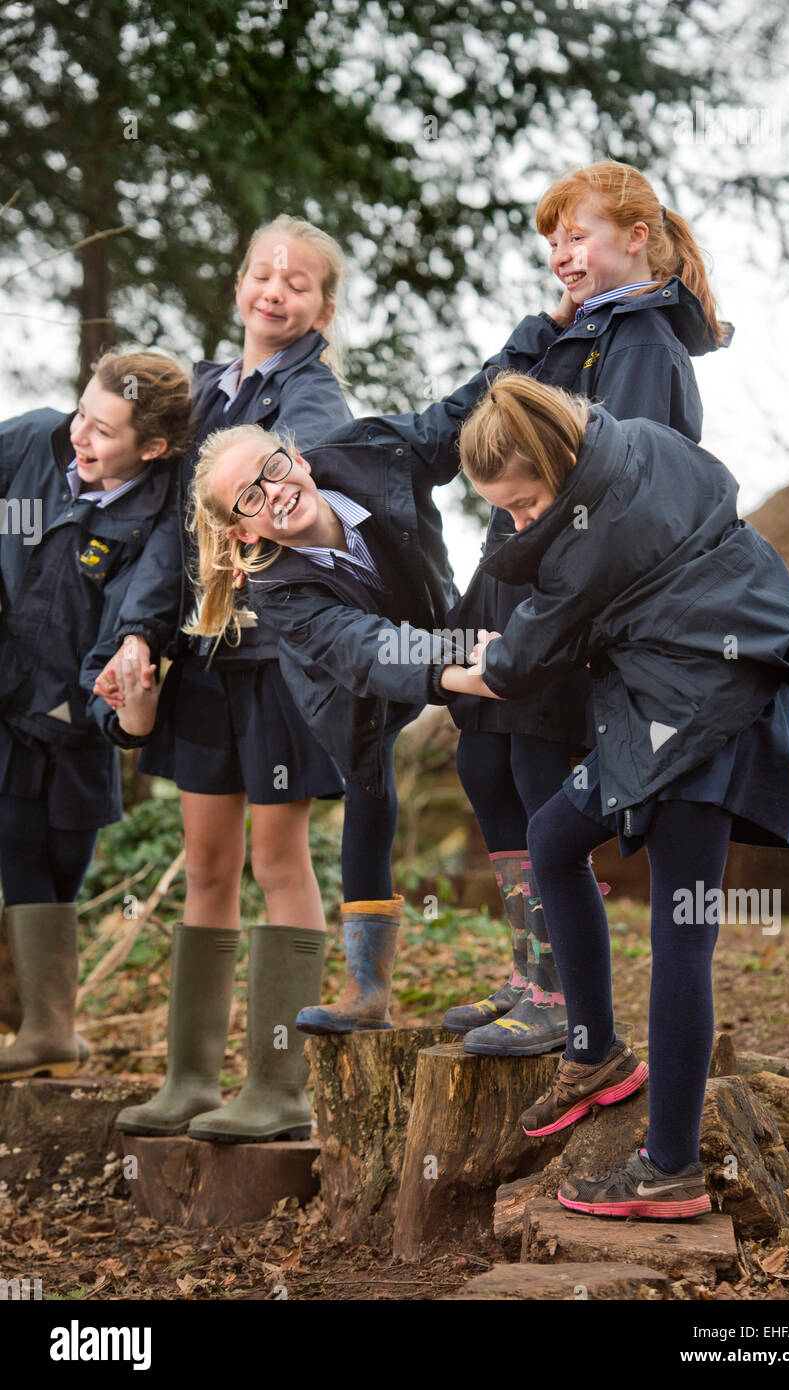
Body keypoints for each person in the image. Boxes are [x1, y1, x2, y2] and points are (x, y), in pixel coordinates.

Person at [102, 303, 568, 1140]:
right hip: (357, 684)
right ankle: (365, 989)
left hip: (437, 616)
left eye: (274, 468)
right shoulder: (279, 588)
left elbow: (455, 414)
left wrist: (545, 327)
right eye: (248, 498)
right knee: (369, 792)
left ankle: (538, 974)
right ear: (238, 529)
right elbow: (369, 649)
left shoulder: (364, 453)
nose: (273, 493)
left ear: (296, 455)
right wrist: (469, 663)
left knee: (491, 771)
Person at [439, 373, 789, 1219]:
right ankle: (595, 1054)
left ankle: (669, 1169)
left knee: (681, 936)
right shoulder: (637, 443)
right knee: (551, 840)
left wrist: (446, 667)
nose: (515, 523)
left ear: (558, 461)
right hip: (684, 695)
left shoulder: (591, 533)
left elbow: (514, 666)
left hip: (705, 716)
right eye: (501, 511)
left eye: (523, 502)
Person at [445, 159, 733, 1058]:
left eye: (579, 235)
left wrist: (552, 613)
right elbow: (498, 422)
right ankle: (532, 967)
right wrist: (544, 330)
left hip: (564, 590)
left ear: (635, 237)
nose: (562, 255)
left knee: (534, 771)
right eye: (553, 241)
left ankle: (560, 992)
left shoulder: (643, 344)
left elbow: (619, 492)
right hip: (511, 567)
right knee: (484, 766)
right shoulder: (582, 330)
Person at [92, 217, 354, 1144]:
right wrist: (136, 632)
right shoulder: (200, 391)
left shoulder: (317, 404)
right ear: (238, 284)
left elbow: (302, 519)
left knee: (277, 861)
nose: (274, 292)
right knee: (206, 863)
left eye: (298, 282)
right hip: (201, 661)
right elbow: (165, 530)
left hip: (279, 661)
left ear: (324, 307)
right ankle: (188, 1081)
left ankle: (277, 1089)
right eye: (262, 274)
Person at [0, 348, 191, 1081]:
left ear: (152, 448)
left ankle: (52, 1023)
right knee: (14, 832)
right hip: (9, 689)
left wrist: (121, 689)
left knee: (65, 851)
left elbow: (134, 616)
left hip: (79, 708)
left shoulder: (156, 518)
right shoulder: (34, 442)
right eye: (83, 413)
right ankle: (45, 1028)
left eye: (103, 432)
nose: (81, 436)